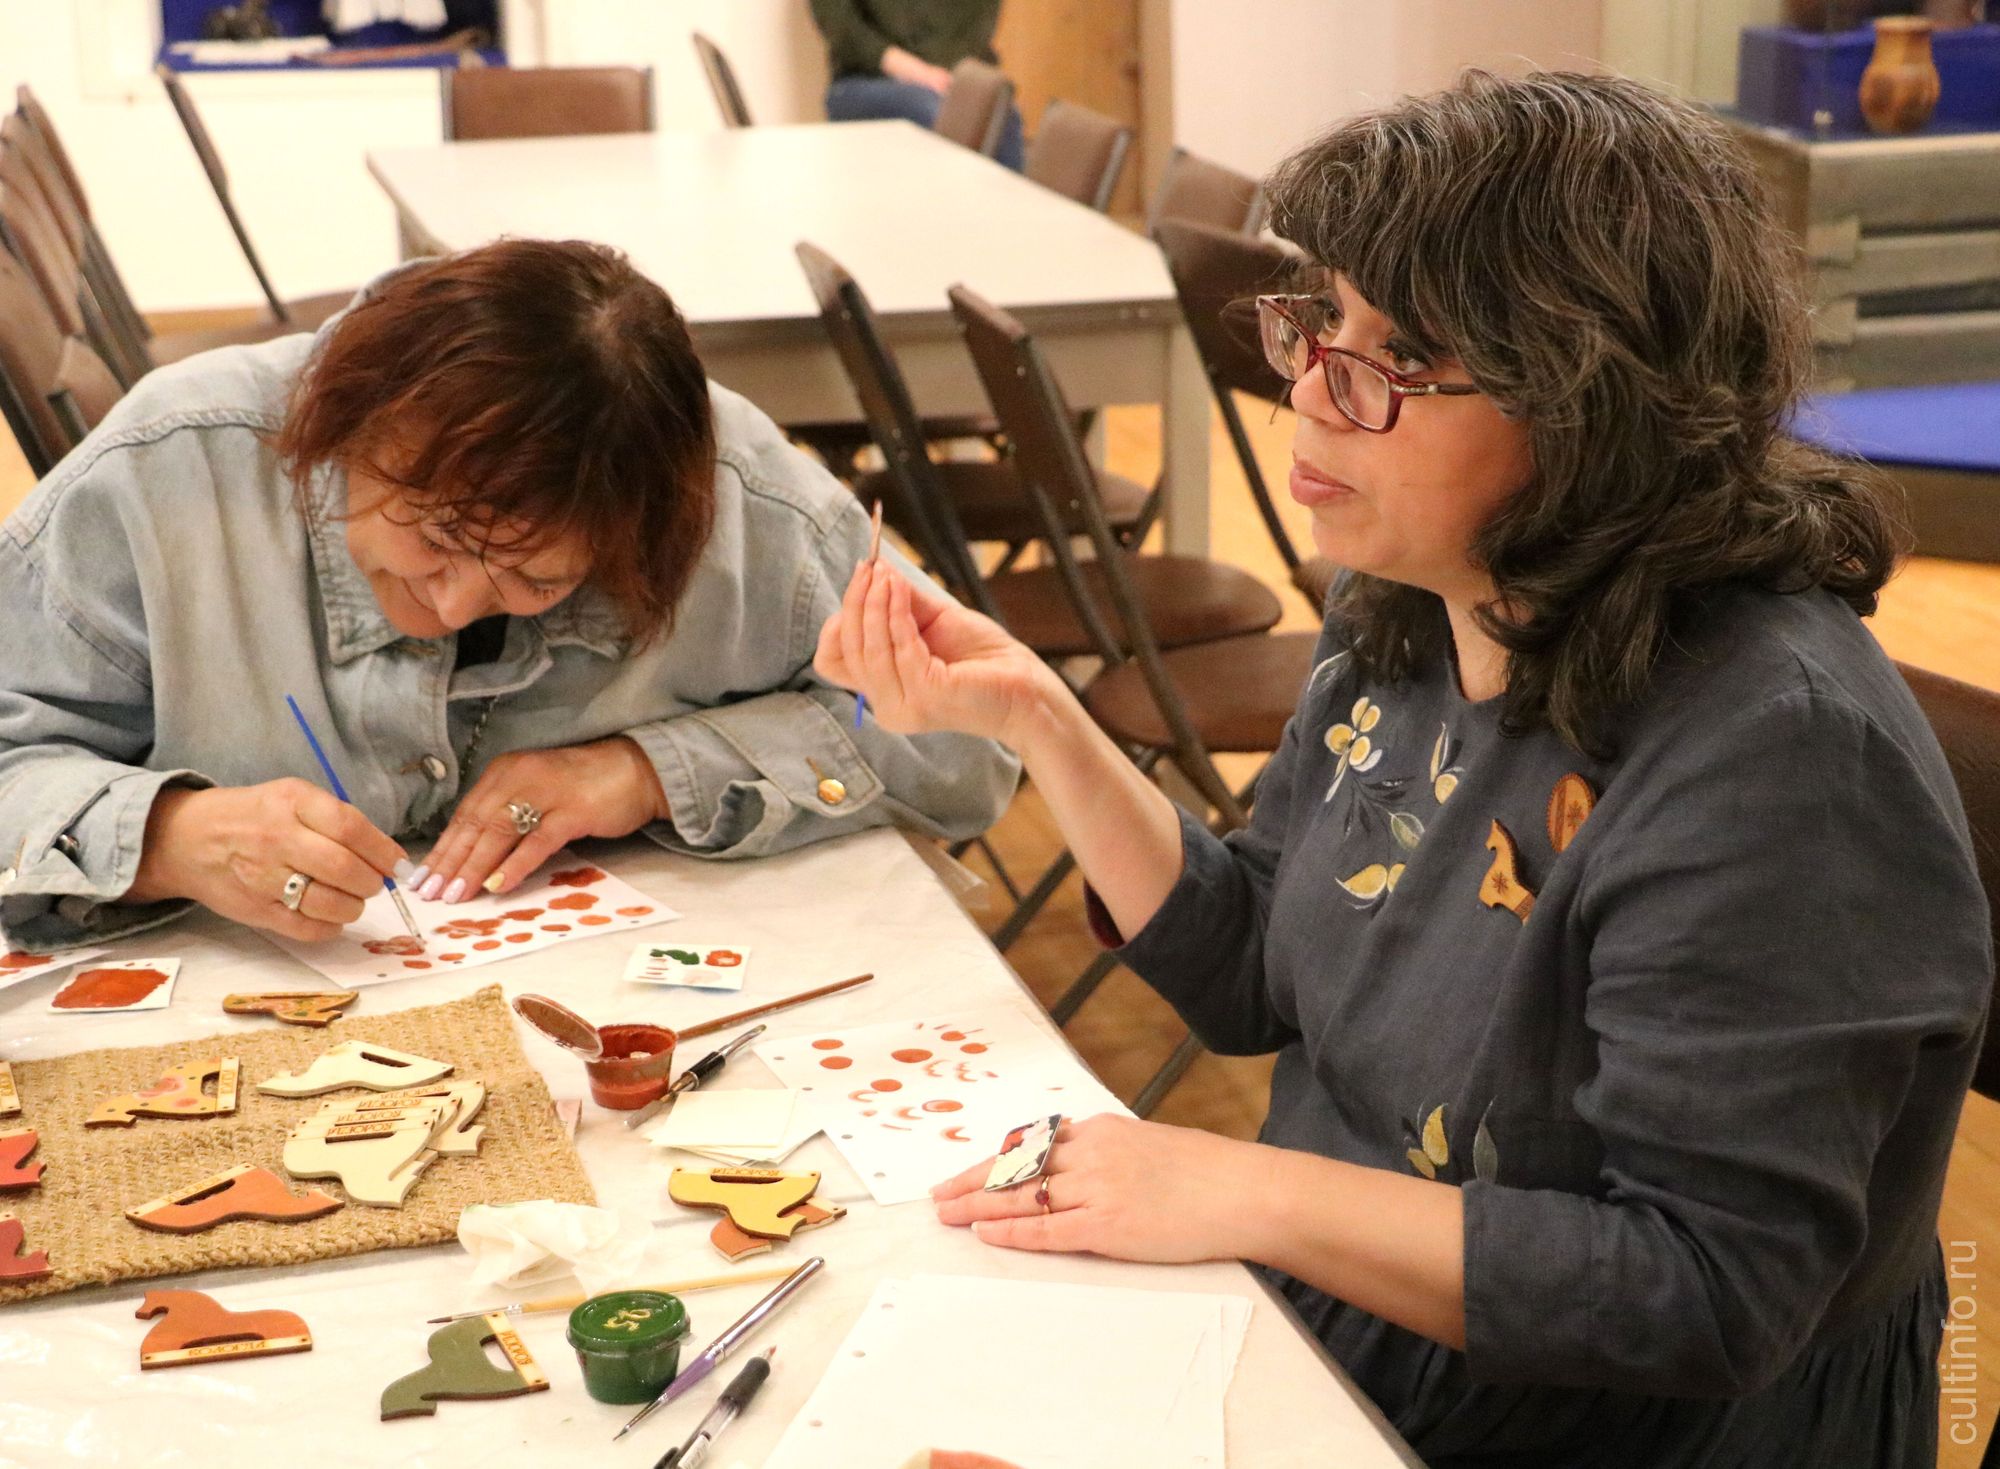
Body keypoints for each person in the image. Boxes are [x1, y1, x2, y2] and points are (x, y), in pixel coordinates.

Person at [815, 71, 1991, 1467]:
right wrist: (1035, 715)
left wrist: (1242, 1191)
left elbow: (1701, 1293)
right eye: (1317, 320)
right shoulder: (1420, 601)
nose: (1309, 388)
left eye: (1399, 352)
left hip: (1614, 1425)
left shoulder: (1778, 765)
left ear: (1592, 402)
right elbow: (1256, 963)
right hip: (1358, 1325)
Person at [0, 238, 1017, 952]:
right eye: (435, 537)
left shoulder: (732, 501)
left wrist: (650, 771)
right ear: (349, 428)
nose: (451, 608)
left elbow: (966, 746)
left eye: (539, 580)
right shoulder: (171, 469)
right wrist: (171, 839)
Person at [808, 0, 1025, 171]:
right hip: (864, 79)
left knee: (1004, 120)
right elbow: (842, 28)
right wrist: (918, 72)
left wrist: (955, 80)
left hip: (951, 80)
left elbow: (978, 30)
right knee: (935, 113)